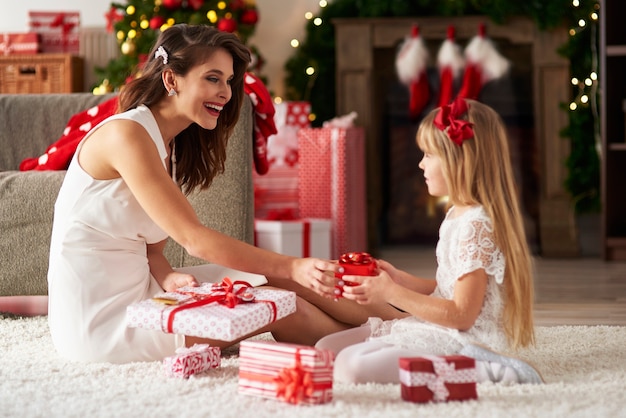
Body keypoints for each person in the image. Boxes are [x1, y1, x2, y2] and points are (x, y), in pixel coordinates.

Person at [47, 24, 396, 364]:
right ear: (171, 80)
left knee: (272, 279)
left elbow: (150, 248)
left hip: (148, 296)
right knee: (282, 301)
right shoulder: (128, 136)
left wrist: (168, 275)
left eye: (228, 81)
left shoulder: (162, 143)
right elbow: (193, 239)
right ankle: (390, 339)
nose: (226, 93)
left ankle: (402, 318)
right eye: (213, 78)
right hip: (105, 324)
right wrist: (293, 265)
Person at [315, 97, 543, 385]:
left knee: (351, 368)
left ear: (460, 161)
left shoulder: (477, 225)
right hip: (444, 326)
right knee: (326, 350)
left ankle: (488, 371)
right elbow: (446, 289)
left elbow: (461, 314)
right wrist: (397, 280)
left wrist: (390, 294)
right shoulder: (458, 215)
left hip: (468, 341)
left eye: (429, 155)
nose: (421, 164)